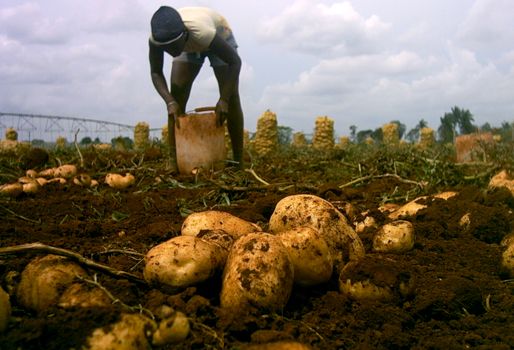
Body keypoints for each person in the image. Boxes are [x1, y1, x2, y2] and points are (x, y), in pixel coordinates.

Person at [148, 6, 244, 172]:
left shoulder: (202, 33)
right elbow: (156, 72)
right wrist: (169, 101)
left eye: (173, 47)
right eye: (166, 49)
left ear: (184, 34)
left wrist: (224, 100)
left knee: (232, 96)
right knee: (176, 100)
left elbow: (235, 62)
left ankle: (238, 162)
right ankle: (174, 160)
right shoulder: (158, 39)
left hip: (219, 34)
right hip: (188, 43)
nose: (171, 53)